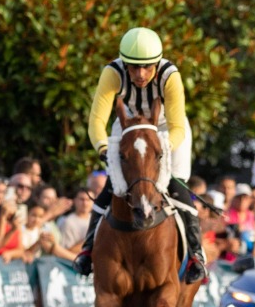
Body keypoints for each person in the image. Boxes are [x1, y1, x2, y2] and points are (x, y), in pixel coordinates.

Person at [74, 27, 206, 283]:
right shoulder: (112, 72)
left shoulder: (170, 76)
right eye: (133, 67)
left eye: (147, 67)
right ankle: (87, 250)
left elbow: (178, 125)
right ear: (125, 63)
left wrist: (163, 150)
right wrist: (103, 147)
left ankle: (195, 256)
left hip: (166, 130)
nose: (140, 74)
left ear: (157, 63)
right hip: (128, 127)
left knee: (177, 186)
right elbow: (97, 121)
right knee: (112, 187)